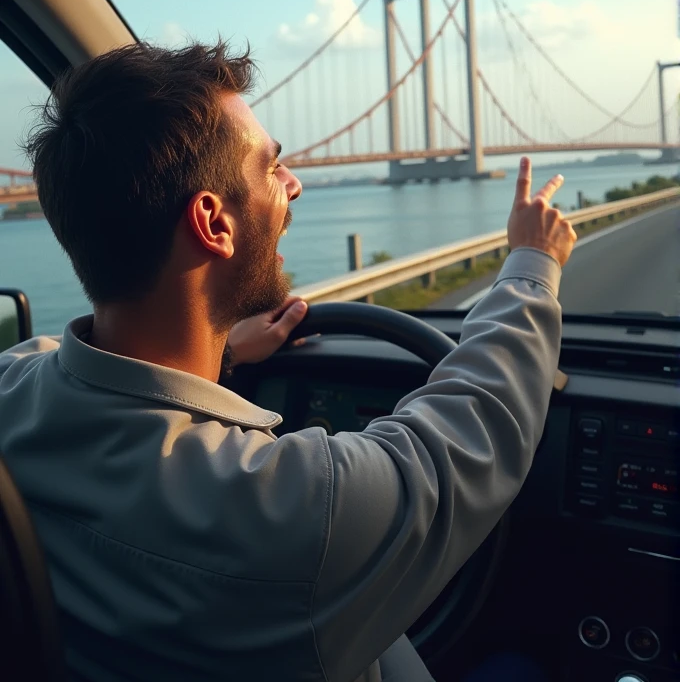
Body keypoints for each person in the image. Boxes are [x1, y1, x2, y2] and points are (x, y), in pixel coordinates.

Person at [0, 41, 576, 682]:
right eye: (272, 168)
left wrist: (220, 358)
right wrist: (533, 264)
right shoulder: (294, 509)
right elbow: (478, 432)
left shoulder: (12, 384)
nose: (293, 184)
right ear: (213, 223)